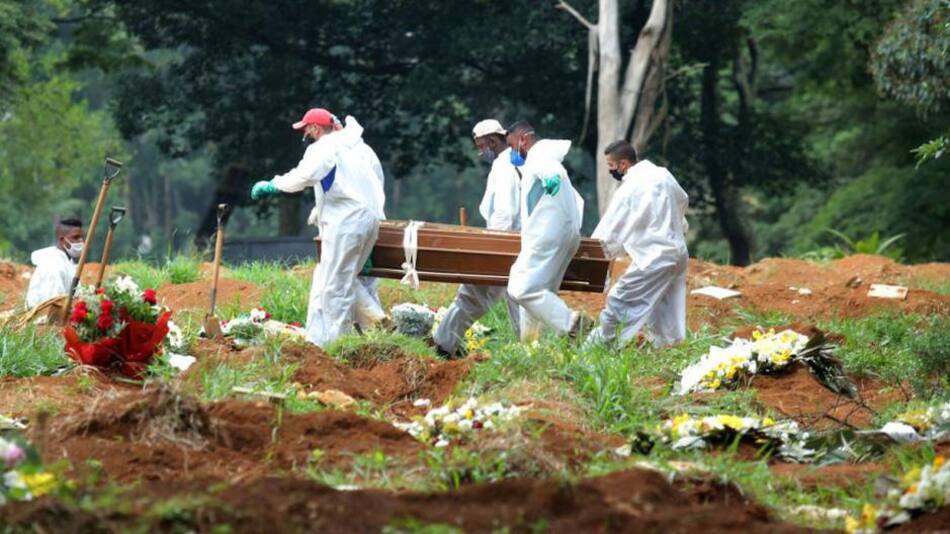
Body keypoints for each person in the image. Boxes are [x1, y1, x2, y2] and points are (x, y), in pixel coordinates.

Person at [251, 108, 385, 347]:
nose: (305, 134)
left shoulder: (323, 147)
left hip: (346, 223)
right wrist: (320, 210)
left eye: (306, 129)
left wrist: (274, 184)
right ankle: (334, 340)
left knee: (336, 287)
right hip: (367, 220)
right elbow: (361, 185)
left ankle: (337, 346)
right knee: (335, 281)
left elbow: (305, 176)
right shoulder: (357, 148)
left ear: (315, 127)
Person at [585, 140, 689, 348]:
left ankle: (598, 347)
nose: (610, 170)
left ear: (623, 164)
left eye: (611, 166)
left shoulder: (630, 188)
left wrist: (592, 253)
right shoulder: (663, 175)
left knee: (620, 299)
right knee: (665, 309)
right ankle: (668, 348)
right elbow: (682, 200)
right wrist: (678, 226)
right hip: (678, 252)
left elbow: (612, 226)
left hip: (654, 257)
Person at [432, 119, 522, 356]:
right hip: (515, 244)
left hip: (504, 244)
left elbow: (504, 212)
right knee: (513, 297)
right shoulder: (515, 163)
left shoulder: (504, 167)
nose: (480, 152)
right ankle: (529, 350)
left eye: (481, 146)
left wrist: (493, 247)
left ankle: (443, 344)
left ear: (492, 142)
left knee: (472, 295)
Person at [505, 121, 587, 341]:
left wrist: (552, 178)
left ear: (523, 139)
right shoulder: (542, 158)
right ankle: (530, 345)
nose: (512, 152)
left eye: (512, 146)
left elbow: (551, 171)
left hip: (546, 236)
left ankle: (571, 323)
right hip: (561, 235)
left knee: (520, 287)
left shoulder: (539, 155)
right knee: (540, 291)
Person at [25, 218, 83, 308]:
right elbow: (53, 304)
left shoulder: (68, 262)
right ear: (62, 239)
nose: (80, 241)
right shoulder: (53, 265)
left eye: (81, 237)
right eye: (76, 237)